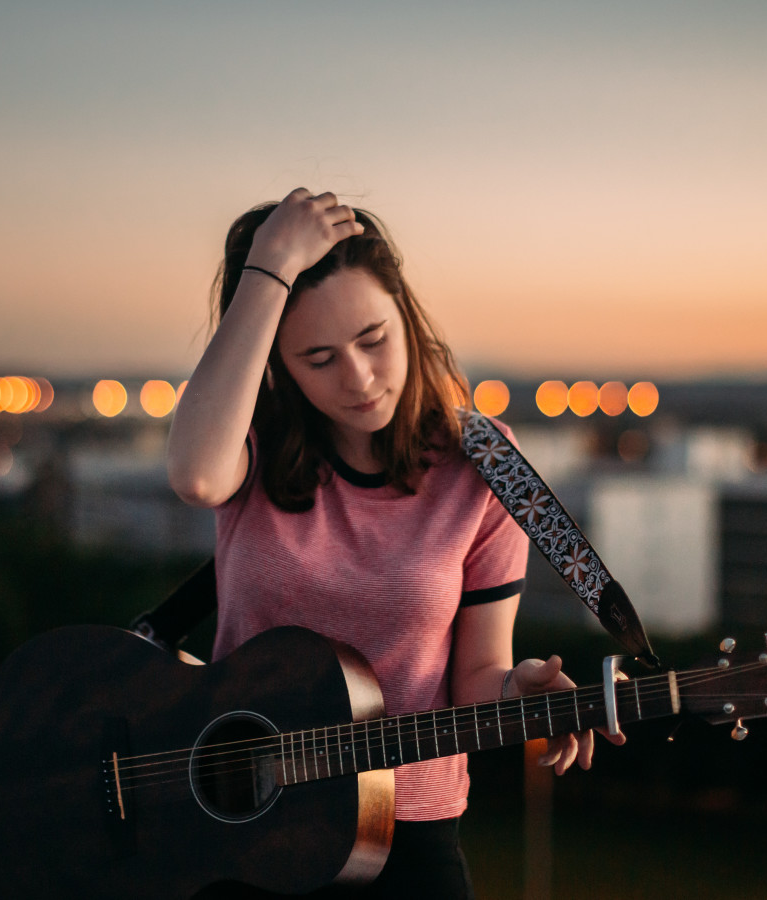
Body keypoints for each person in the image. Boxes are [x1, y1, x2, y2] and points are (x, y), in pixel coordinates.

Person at [168, 188, 621, 898]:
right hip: (238, 822)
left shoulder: (485, 465)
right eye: (317, 358)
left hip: (403, 832)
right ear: (278, 365)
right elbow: (195, 475)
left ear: (405, 316)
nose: (359, 379)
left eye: (374, 339)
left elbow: (475, 677)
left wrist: (516, 688)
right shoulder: (251, 442)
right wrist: (267, 267)